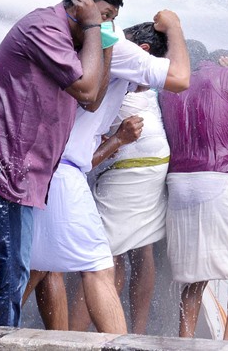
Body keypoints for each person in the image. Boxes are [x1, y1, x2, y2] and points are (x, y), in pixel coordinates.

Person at [0, 0, 117, 327]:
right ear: (79, 3)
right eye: (103, 15)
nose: (105, 24)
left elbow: (93, 101)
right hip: (4, 170)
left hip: (14, 172)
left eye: (110, 19)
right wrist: (92, 27)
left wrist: (105, 42)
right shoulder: (45, 28)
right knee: (7, 273)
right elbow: (88, 91)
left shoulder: (70, 41)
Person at [158, 40, 228, 340]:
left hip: (178, 185)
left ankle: (185, 343)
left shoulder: (168, 86)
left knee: (194, 278)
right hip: (216, 180)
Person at [89, 22, 172, 334]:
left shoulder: (129, 65)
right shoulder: (148, 76)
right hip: (153, 159)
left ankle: (82, 334)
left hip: (130, 160)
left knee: (100, 257)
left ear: (144, 49)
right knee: (140, 246)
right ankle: (134, 332)